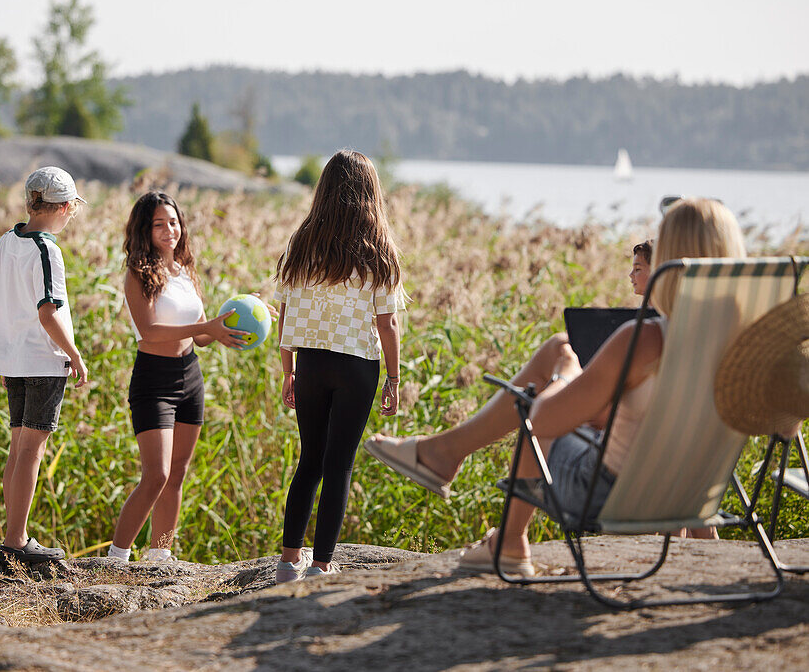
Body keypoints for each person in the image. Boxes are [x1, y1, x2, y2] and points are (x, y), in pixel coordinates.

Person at [366, 198, 744, 575]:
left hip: (613, 496)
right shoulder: (749, 342)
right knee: (573, 380)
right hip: (691, 494)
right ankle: (445, 454)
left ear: (671, 260)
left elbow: (542, 421)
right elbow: (785, 426)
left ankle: (504, 534)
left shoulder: (645, 340)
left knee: (556, 353)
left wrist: (566, 373)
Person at [274, 150, 405, 582]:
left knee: (308, 459)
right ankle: (323, 564)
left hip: (310, 362)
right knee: (339, 465)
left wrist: (288, 368)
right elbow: (387, 323)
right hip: (356, 366)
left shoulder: (302, 242)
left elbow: (287, 308)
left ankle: (289, 561)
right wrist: (393, 377)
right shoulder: (379, 248)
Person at [107, 191, 247, 562]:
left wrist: (231, 324)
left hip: (190, 375)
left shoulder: (185, 271)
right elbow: (150, 331)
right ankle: (116, 558)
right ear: (144, 230)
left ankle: (159, 557)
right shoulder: (137, 274)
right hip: (154, 380)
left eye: (173, 222)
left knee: (177, 474)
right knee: (156, 474)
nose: (170, 230)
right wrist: (206, 326)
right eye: (159, 224)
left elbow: (200, 335)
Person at [0, 166, 90, 565]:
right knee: (31, 451)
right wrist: (74, 352)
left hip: (12, 358)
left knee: (17, 448)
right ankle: (16, 542)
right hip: (43, 358)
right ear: (65, 207)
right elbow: (48, 312)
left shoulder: (4, 242)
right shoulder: (48, 250)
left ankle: (16, 534)